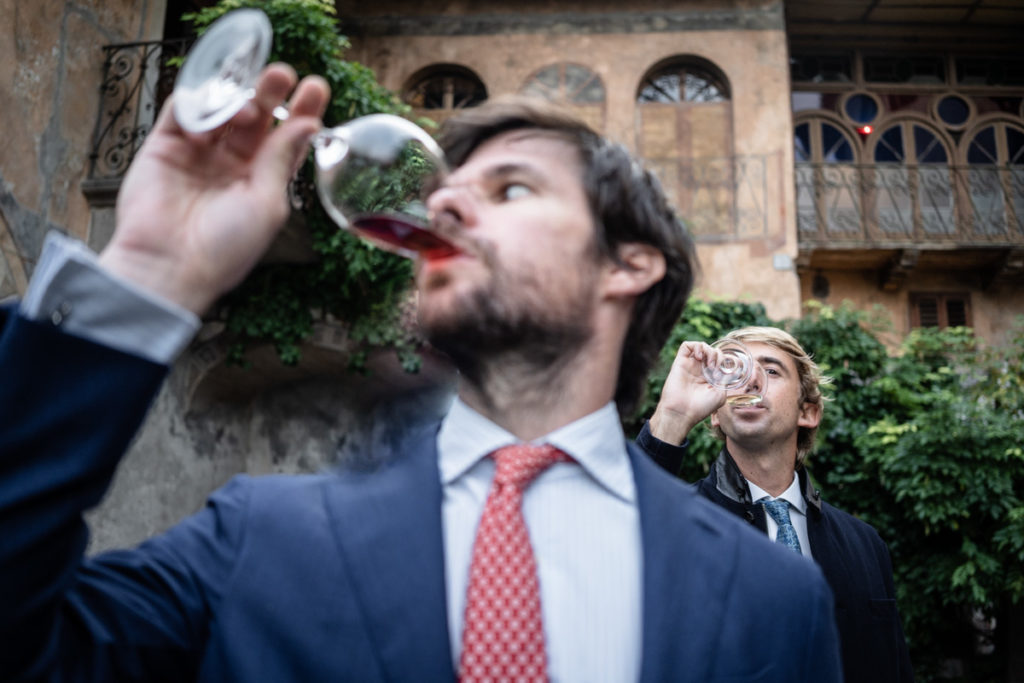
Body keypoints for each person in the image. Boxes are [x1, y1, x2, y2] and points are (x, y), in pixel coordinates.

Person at [0, 62, 842, 682]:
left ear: (627, 265)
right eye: (445, 192)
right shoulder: (257, 536)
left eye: (510, 190)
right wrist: (148, 272)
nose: (441, 205)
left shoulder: (778, 601)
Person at [636, 326, 914, 682]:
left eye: (771, 370)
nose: (752, 381)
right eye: (737, 370)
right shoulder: (673, 525)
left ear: (809, 412)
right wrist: (673, 415)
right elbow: (608, 539)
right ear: (716, 415)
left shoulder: (866, 544)